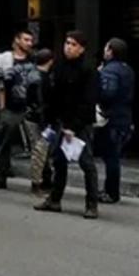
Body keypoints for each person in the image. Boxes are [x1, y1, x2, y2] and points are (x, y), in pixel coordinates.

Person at [36, 31, 102, 218]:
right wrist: (50, 120)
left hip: (79, 125)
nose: (68, 47)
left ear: (81, 48)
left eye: (73, 44)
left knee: (86, 164)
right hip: (60, 122)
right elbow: (54, 97)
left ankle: (92, 204)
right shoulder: (58, 67)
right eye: (67, 43)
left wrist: (74, 126)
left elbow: (88, 101)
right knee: (59, 162)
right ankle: (55, 199)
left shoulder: (88, 70)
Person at [0, 28, 35, 188]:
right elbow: (0, 85)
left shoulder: (34, 60)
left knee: (37, 144)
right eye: (26, 40)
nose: (29, 43)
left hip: (30, 106)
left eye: (31, 40)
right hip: (11, 106)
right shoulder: (5, 60)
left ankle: (43, 178)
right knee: (4, 143)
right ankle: (0, 176)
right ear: (17, 40)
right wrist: (2, 108)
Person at [96, 37, 135, 204]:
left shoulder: (110, 70)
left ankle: (111, 192)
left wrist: (98, 78)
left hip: (112, 119)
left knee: (111, 156)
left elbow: (107, 93)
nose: (104, 51)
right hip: (125, 117)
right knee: (113, 156)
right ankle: (110, 190)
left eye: (106, 48)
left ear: (111, 51)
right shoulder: (127, 70)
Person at [25, 48, 55, 193]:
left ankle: (43, 179)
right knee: (40, 151)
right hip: (39, 120)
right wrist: (46, 122)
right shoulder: (41, 78)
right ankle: (37, 182)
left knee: (41, 150)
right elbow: (40, 103)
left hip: (33, 117)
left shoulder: (33, 75)